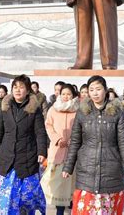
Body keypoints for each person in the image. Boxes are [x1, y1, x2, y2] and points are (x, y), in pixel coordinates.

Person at [62, 75, 124, 215]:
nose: (95, 93)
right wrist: (68, 166)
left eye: (98, 89)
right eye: (91, 89)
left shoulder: (117, 113)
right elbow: (76, 141)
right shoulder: (82, 112)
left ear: (105, 90)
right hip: (86, 170)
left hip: (111, 169)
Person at [0, 75, 47, 214]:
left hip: (26, 157)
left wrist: (42, 152)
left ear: (27, 90)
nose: (18, 90)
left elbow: (40, 133)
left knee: (25, 198)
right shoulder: (5, 107)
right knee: (2, 198)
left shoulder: (34, 109)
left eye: (21, 87)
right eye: (15, 87)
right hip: (6, 157)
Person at [41, 84, 79, 215]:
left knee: (71, 181)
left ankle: (72, 204)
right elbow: (48, 126)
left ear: (73, 95)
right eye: (64, 94)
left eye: (69, 94)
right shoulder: (53, 109)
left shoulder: (78, 110)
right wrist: (57, 139)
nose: (66, 96)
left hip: (73, 150)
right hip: (57, 149)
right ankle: (60, 209)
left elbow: (82, 128)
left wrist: (72, 141)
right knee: (58, 182)